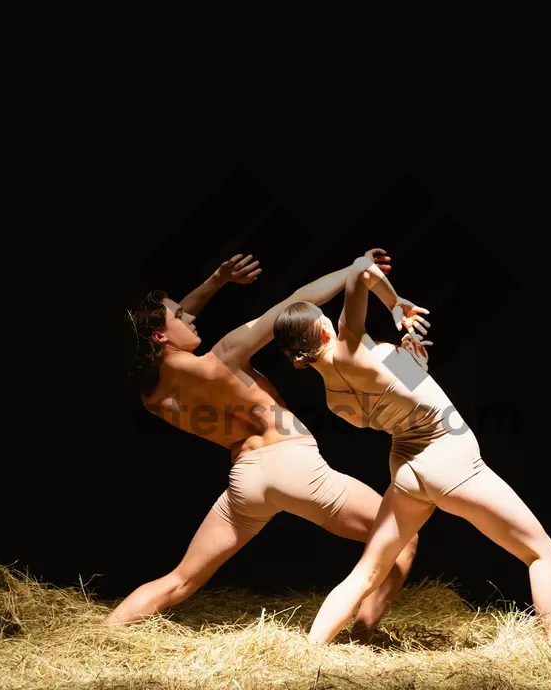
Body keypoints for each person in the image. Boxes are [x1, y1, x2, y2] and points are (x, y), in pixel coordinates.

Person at [104, 252, 418, 642]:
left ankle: (101, 636)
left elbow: (163, 332)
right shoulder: (226, 354)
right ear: (160, 336)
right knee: (401, 538)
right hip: (294, 466)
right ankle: (362, 635)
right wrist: (352, 270)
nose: (190, 315)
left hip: (246, 481)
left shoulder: (153, 397)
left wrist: (216, 281)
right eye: (180, 317)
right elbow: (297, 302)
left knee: (180, 581)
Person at [272, 251, 551, 643]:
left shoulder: (332, 399)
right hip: (447, 457)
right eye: (327, 319)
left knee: (365, 573)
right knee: (541, 551)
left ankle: (309, 651)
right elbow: (362, 267)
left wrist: (412, 367)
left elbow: (392, 405)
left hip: (407, 469)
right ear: (325, 330)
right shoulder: (351, 343)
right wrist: (395, 304)